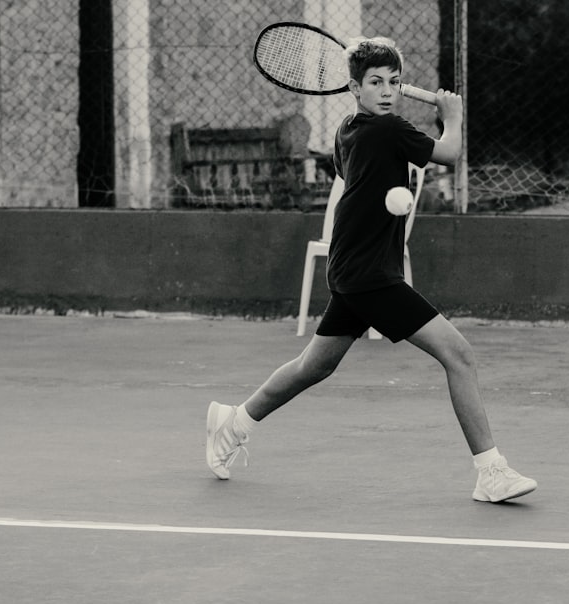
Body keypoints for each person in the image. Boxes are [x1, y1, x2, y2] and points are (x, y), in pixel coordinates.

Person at [206, 37, 536, 503]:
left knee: (313, 366)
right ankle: (491, 471)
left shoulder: (348, 129)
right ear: (354, 88)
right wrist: (454, 115)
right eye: (375, 83)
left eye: (394, 82)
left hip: (351, 266)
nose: (386, 91)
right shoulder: (387, 130)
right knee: (459, 355)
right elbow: (448, 153)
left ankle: (233, 422)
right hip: (370, 276)